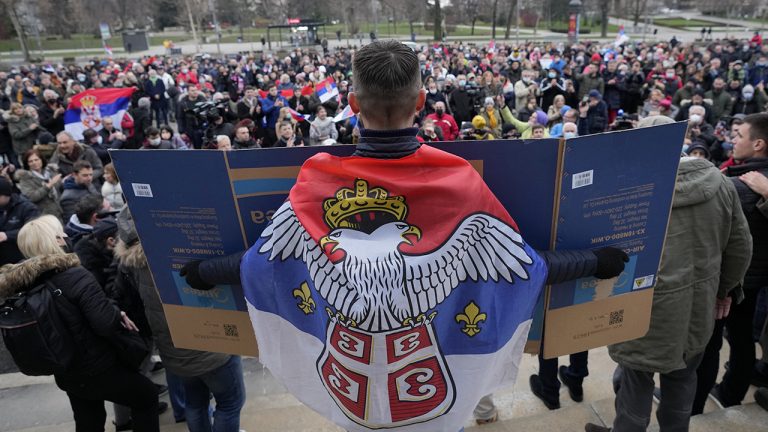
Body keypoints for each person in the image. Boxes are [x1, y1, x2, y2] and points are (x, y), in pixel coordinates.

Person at [180, 40, 628, 431]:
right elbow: (525, 269)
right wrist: (594, 261)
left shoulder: (315, 179)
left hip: (352, 387)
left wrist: (203, 272)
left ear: (352, 103)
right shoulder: (459, 181)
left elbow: (260, 263)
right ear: (423, 100)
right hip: (431, 391)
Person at [586, 116, 753, 432]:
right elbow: (741, 246)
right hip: (697, 306)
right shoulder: (719, 182)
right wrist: (724, 290)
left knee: (635, 384)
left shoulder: (628, 188)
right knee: (682, 381)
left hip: (643, 307)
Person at [0, 215, 160, 432]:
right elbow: (105, 323)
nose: (66, 235)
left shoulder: (21, 283)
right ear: (53, 241)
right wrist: (116, 312)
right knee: (147, 396)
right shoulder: (75, 275)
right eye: (60, 234)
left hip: (65, 369)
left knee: (88, 419)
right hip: (97, 366)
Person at [113, 208, 245, 432]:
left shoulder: (130, 264)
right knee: (231, 402)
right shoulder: (178, 252)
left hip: (173, 349)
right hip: (212, 348)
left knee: (195, 403)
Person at [694, 112, 768, 413]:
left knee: (709, 345)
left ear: (759, 144)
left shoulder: (743, 186)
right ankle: (732, 392)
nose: (732, 140)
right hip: (755, 277)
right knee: (740, 337)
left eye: (739, 136)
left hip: (733, 279)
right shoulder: (749, 177)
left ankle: (695, 405)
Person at [0, 175, 40, 265]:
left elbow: (34, 230)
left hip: (23, 258)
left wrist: (7, 235)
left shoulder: (27, 207)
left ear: (6, 195)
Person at [14, 148, 63, 220]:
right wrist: (49, 185)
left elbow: (59, 189)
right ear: (27, 164)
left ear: (41, 160)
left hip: (60, 210)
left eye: (36, 160)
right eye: (30, 161)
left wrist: (64, 182)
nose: (34, 163)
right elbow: (32, 197)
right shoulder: (25, 178)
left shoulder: (51, 171)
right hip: (43, 215)